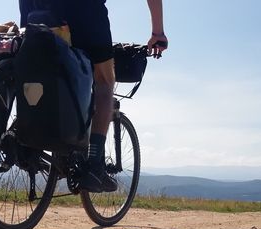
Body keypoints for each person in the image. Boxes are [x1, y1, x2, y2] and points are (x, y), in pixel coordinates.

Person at [19, 0, 168, 193]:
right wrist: (158, 33)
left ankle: (25, 137)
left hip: (34, 7)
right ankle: (95, 166)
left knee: (38, 67)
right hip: (84, 9)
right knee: (104, 81)